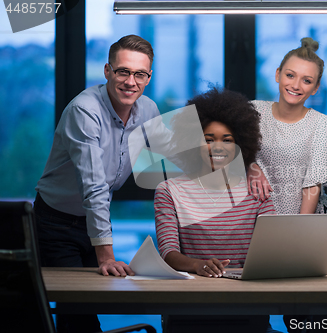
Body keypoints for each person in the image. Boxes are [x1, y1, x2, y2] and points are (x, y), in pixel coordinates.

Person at [34, 35, 159, 332]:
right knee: (78, 311)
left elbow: (170, 169)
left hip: (94, 221)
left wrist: (246, 169)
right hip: (55, 222)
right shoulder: (85, 110)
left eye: (140, 74)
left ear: (149, 77)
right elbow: (94, 185)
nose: (131, 82)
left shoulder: (149, 111)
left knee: (93, 303)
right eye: (123, 71)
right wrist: (106, 256)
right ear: (107, 71)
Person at [154, 87, 275, 332]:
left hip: (248, 306)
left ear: (240, 144)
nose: (217, 147)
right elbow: (168, 253)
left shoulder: (257, 191)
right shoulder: (169, 191)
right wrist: (197, 265)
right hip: (189, 307)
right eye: (208, 139)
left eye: (227, 140)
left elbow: (269, 252)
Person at [248, 37, 327, 214]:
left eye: (307, 81)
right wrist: (250, 166)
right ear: (278, 74)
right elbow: (218, 146)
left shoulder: (321, 124)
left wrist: (298, 233)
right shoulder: (253, 110)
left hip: (299, 225)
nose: (295, 85)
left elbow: (312, 185)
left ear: (315, 88)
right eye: (290, 75)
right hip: (248, 223)